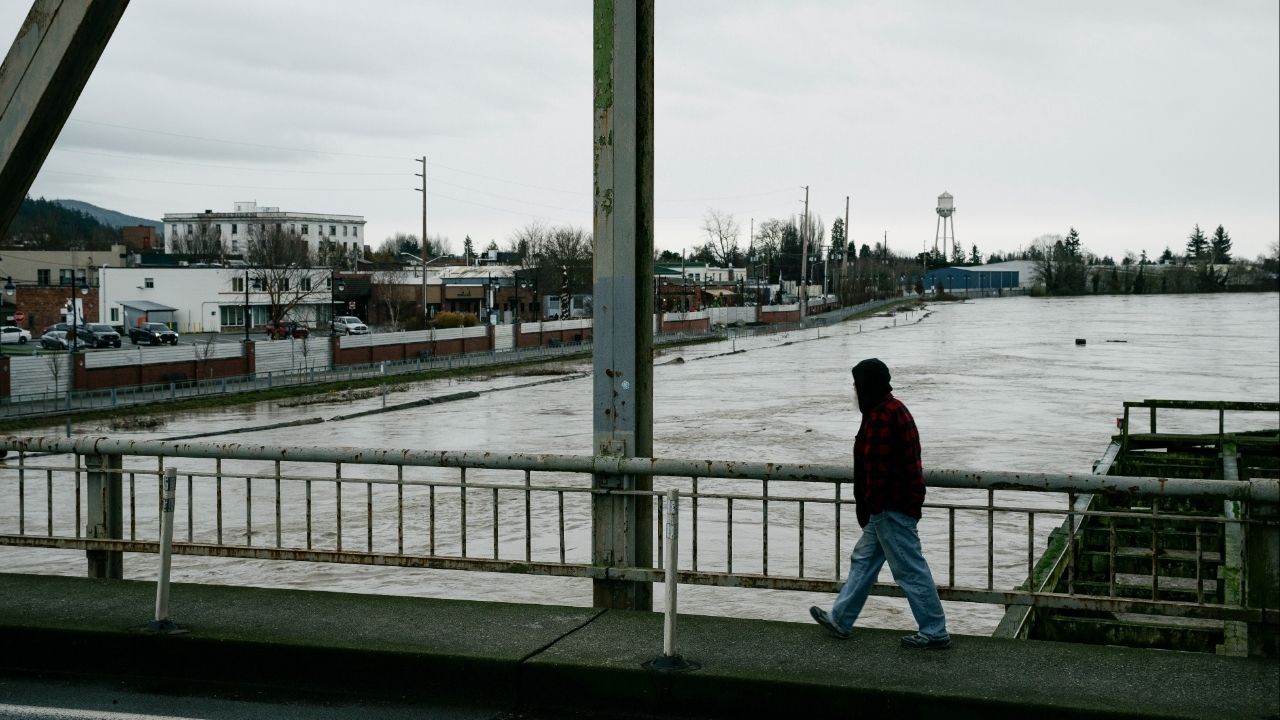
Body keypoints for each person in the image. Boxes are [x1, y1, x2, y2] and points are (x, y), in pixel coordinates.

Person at [809, 358, 951, 649]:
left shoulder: (880, 416)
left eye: (856, 385)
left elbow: (876, 467)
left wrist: (869, 504)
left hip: (890, 506)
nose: (854, 391)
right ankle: (841, 618)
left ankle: (934, 630)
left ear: (866, 386)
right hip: (893, 503)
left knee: (909, 569)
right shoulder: (895, 408)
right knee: (864, 560)